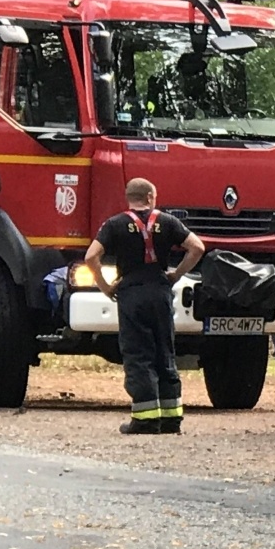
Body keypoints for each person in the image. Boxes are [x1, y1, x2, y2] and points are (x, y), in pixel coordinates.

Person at [84, 178, 205, 435]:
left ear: (130, 198)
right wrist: (176, 275)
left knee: (139, 355)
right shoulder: (169, 221)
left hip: (132, 293)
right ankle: (172, 418)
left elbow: (90, 256)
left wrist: (105, 286)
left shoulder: (115, 224)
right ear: (150, 197)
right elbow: (197, 247)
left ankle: (145, 418)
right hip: (160, 291)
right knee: (165, 351)